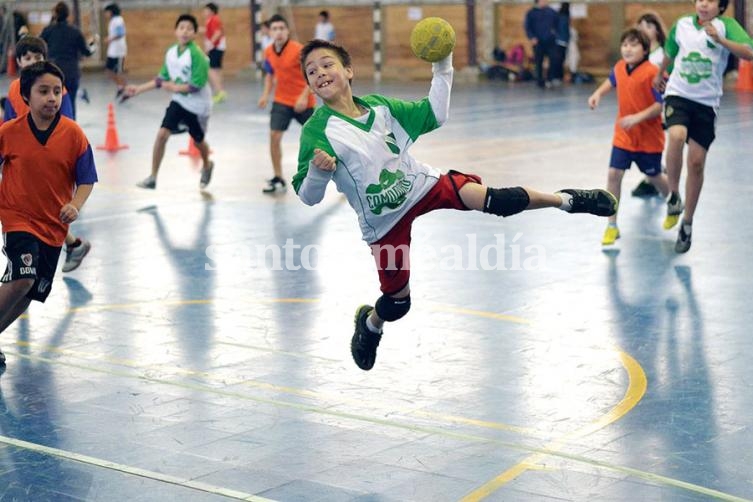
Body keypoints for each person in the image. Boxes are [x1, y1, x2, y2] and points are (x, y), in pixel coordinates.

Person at [294, 39, 618, 371]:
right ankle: (371, 324)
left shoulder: (381, 108)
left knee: (495, 200)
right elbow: (308, 196)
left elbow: (435, 113)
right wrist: (318, 174)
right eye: (311, 71)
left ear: (349, 70)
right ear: (310, 85)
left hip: (422, 186)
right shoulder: (316, 133)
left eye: (327, 64)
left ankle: (567, 200)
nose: (320, 72)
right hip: (383, 223)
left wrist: (443, 64)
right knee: (397, 303)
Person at [0, 61, 98, 363]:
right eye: (44, 91)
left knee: (29, 295)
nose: (52, 98)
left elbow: (86, 179)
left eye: (57, 91)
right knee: (23, 279)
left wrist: (74, 205)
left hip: (53, 227)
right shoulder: (9, 133)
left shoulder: (74, 135)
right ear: (26, 96)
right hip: (18, 217)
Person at [653, 0, 753, 253]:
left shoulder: (726, 25)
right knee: (676, 135)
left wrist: (721, 40)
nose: (703, 4)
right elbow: (670, 51)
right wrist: (659, 73)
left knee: (696, 163)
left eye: (710, 1)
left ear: (720, 7)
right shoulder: (682, 25)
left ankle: (687, 222)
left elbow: (748, 52)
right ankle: (673, 195)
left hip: (706, 104)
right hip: (678, 94)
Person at [4, 36, 91, 273]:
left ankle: (70, 246)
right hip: (24, 158)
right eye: (28, 58)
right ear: (19, 61)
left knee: (47, 208)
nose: (33, 62)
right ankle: (72, 245)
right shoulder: (14, 90)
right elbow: (9, 123)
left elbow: (67, 122)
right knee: (32, 209)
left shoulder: (55, 90)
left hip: (48, 157)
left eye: (38, 57)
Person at [588, 28, 670, 246]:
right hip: (624, 136)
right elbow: (612, 80)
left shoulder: (654, 72)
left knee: (654, 176)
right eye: (625, 44)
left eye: (633, 45)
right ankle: (611, 225)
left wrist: (636, 118)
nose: (628, 48)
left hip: (648, 138)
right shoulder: (619, 67)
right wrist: (598, 93)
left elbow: (658, 106)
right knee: (614, 174)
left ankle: (673, 201)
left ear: (644, 49)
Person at [125, 14, 214, 191]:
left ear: (195, 33)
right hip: (179, 102)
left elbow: (196, 85)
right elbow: (161, 80)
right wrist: (139, 89)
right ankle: (153, 177)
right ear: (175, 31)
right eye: (182, 27)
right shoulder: (171, 53)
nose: (185, 31)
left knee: (198, 141)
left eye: (189, 28)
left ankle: (207, 164)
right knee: (162, 135)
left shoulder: (198, 56)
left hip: (198, 106)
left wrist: (174, 87)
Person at [257, 14, 315, 194]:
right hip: (281, 101)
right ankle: (278, 177)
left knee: (319, 140)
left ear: (287, 30)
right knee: (274, 137)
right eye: (275, 29)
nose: (279, 32)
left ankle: (340, 175)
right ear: (270, 31)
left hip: (303, 101)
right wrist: (266, 95)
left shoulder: (299, 50)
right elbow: (269, 75)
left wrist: (304, 96)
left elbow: (312, 75)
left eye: (282, 28)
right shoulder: (268, 51)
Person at [631, 12, 669, 198]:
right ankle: (654, 175)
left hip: (658, 107)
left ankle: (656, 178)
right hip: (641, 107)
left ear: (656, 29)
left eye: (647, 25)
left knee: (652, 143)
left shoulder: (663, 54)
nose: (642, 29)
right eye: (640, 25)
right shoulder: (639, 54)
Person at [41, 1, 97, 119]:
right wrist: (93, 46)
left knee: (52, 103)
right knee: (70, 103)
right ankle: (71, 130)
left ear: (55, 14)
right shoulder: (75, 31)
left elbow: (38, 46)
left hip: (53, 72)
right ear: (68, 14)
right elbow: (86, 51)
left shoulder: (48, 30)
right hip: (71, 72)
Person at [524, 0, 558, 88]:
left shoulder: (551, 12)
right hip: (538, 41)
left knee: (554, 59)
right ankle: (539, 81)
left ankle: (550, 79)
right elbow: (527, 27)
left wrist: (555, 34)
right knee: (538, 61)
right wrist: (532, 37)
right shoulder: (531, 13)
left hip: (550, 41)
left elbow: (557, 23)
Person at [202, 2, 227, 104]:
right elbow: (208, 31)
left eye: (206, 10)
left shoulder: (214, 19)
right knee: (216, 70)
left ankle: (220, 92)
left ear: (211, 11)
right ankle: (219, 92)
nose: (204, 12)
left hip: (216, 48)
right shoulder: (210, 20)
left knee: (211, 70)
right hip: (217, 48)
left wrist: (209, 46)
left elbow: (217, 33)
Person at [103, 3, 127, 99]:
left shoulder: (118, 20)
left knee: (118, 71)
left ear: (111, 12)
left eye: (107, 12)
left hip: (118, 50)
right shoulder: (113, 21)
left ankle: (125, 88)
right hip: (112, 50)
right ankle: (121, 86)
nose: (106, 14)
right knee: (109, 71)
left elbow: (121, 33)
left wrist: (110, 39)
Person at [551, 2, 570, 85]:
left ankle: (558, 77)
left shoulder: (559, 16)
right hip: (561, 42)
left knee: (558, 61)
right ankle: (556, 77)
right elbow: (564, 31)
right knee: (558, 61)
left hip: (560, 41)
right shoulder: (564, 18)